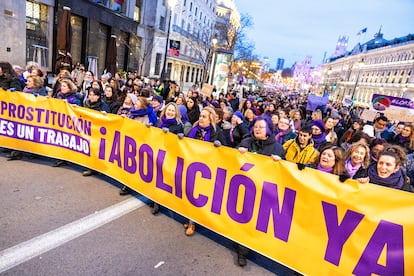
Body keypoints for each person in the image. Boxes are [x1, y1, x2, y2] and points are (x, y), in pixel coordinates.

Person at [235, 116, 285, 267]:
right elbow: (232, 161)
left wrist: (280, 163)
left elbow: (284, 174)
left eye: (261, 127)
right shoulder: (246, 142)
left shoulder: (278, 149)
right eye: (255, 127)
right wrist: (238, 152)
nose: (257, 129)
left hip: (264, 192)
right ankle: (240, 246)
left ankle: (244, 250)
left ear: (268, 129)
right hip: (245, 188)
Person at [183, 107, 226, 237]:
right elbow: (185, 144)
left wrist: (219, 147)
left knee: (197, 196)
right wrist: (181, 138)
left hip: (206, 171)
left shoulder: (217, 133)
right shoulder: (194, 129)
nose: (201, 118)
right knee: (189, 193)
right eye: (200, 116)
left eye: (204, 117)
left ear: (211, 119)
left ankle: (192, 222)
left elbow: (226, 152)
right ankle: (190, 218)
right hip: (191, 166)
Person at [146, 102, 184, 213]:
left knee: (160, 179)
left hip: (167, 155)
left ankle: (158, 202)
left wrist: (174, 136)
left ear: (176, 113)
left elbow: (179, 144)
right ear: (165, 110)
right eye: (169, 110)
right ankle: (153, 198)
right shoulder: (160, 121)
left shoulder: (178, 126)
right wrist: (149, 128)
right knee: (154, 176)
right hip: (156, 151)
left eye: (173, 110)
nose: (170, 112)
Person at [82, 88, 111, 176]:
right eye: (90, 95)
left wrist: (105, 115)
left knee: (99, 150)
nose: (91, 97)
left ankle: (100, 168)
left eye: (93, 95)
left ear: (98, 96)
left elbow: (109, 118)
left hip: (99, 131)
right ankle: (91, 167)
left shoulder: (103, 106)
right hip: (89, 129)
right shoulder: (86, 104)